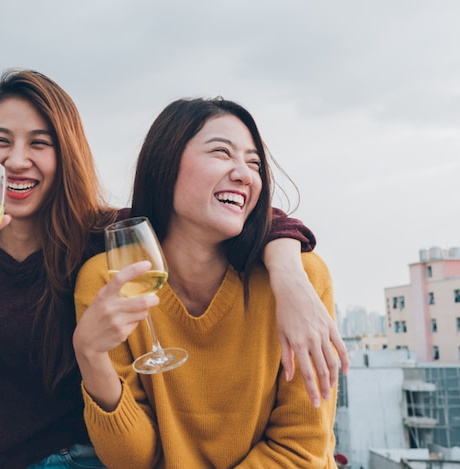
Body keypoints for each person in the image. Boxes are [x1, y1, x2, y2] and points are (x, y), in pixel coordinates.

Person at [0, 69, 342, 468]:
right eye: (1, 141)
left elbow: (217, 215)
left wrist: (288, 270)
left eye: (40, 143)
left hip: (83, 457)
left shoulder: (103, 239)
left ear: (66, 154)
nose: (17, 159)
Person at [73, 97, 338, 467]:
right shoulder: (110, 279)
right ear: (165, 163)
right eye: (221, 152)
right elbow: (132, 460)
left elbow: (302, 449)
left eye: (254, 162)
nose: (245, 174)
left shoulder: (301, 279)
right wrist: (90, 355)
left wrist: (289, 273)